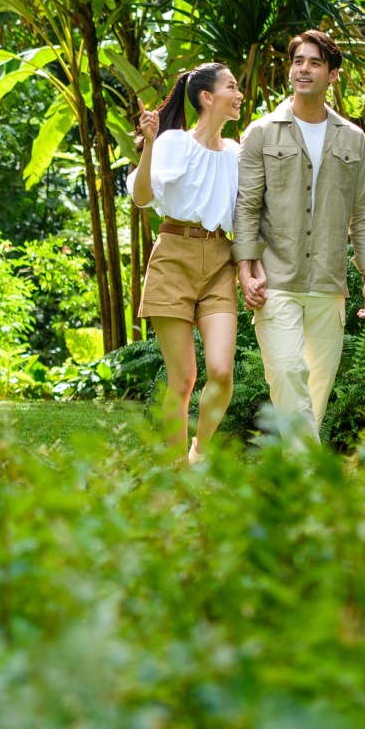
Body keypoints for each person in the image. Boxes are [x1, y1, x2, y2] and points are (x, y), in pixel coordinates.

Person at [232, 30, 365, 443]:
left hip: (328, 281)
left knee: (314, 390)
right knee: (286, 372)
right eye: (298, 61)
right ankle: (313, 477)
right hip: (275, 279)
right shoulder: (262, 132)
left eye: (315, 62)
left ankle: (297, 485)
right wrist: (245, 269)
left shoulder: (352, 138)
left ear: (332, 74)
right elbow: (246, 206)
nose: (304, 69)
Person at [130, 62, 244, 463]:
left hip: (219, 261)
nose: (239, 94)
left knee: (221, 373)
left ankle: (199, 451)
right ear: (207, 97)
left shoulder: (237, 155)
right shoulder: (173, 142)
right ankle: (176, 467)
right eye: (232, 87)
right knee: (182, 379)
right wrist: (148, 144)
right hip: (173, 256)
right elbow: (142, 197)